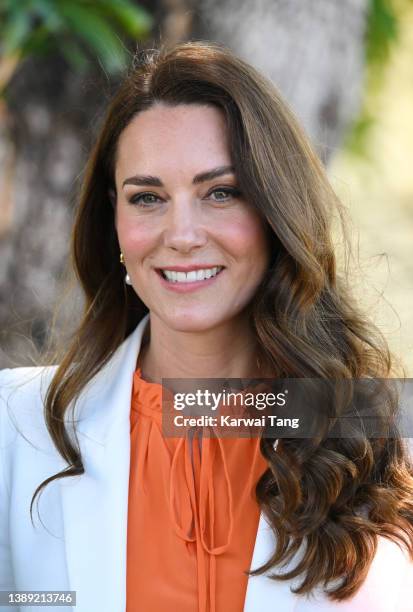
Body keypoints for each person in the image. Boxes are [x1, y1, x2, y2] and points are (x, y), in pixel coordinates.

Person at [1, 40, 413, 612]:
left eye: (221, 192)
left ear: (276, 214)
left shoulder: (382, 436)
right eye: (147, 197)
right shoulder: (15, 430)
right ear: (113, 224)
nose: (182, 233)